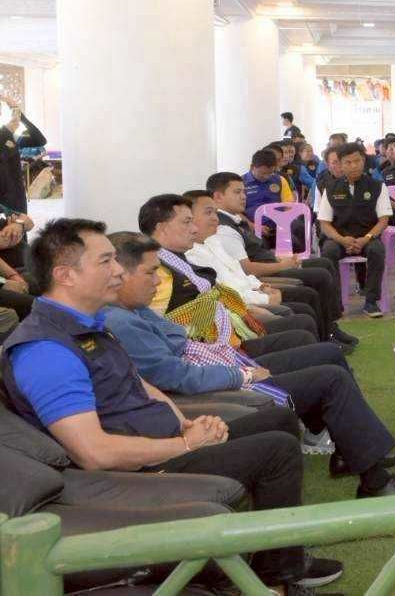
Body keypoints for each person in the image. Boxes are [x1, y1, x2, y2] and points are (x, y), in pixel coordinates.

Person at [0, 218, 347, 591]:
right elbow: (94, 453)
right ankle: (279, 576)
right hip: (137, 466)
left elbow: (138, 382)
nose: (119, 271)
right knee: (275, 450)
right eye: (105, 261)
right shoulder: (46, 351)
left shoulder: (90, 323)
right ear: (65, 275)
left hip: (162, 437)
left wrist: (183, 422)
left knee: (276, 420)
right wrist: (184, 444)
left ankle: (275, 559)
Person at [102, 231, 395, 499]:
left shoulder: (134, 310)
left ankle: (351, 451)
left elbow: (179, 339)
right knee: (331, 378)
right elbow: (178, 375)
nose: (157, 280)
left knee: (328, 354)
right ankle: (374, 479)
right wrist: (241, 374)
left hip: (223, 362)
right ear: (121, 274)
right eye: (150, 273)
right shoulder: (122, 322)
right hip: (217, 385)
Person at [207, 172, 357, 351]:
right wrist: (282, 265)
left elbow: (253, 255)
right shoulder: (224, 228)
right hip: (263, 274)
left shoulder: (235, 220)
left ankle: (331, 326)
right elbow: (247, 268)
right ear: (218, 197)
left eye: (244, 192)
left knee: (324, 263)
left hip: (268, 267)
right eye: (237, 192)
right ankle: (326, 335)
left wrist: (279, 259)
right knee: (320, 275)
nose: (243, 196)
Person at [183, 190, 327, 339]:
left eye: (215, 212)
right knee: (306, 304)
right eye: (208, 212)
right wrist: (266, 296)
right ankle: (326, 339)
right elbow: (231, 289)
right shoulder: (195, 254)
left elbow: (238, 273)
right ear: (189, 219)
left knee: (312, 291)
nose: (215, 218)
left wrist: (262, 286)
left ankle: (328, 337)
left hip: (254, 289)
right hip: (244, 305)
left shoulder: (212, 240)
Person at [318, 143, 392, 317]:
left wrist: (366, 238)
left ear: (363, 161)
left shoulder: (377, 186)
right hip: (339, 239)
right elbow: (324, 223)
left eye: (357, 161)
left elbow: (383, 220)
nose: (353, 166)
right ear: (341, 165)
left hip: (368, 237)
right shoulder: (330, 188)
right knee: (328, 251)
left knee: (377, 250)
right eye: (348, 162)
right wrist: (341, 239)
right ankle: (335, 304)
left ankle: (371, 302)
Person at [0, 102, 46, 214]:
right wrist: (6, 130)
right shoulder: (5, 133)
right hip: (3, 200)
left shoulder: (11, 136)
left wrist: (22, 118)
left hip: (17, 197)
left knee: (20, 223)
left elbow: (40, 140)